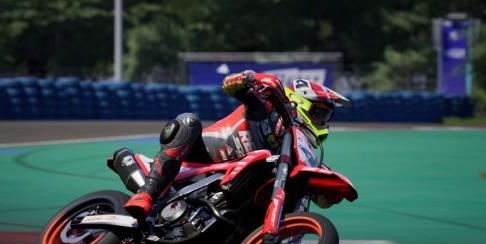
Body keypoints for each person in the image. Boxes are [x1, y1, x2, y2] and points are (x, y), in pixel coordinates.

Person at [123, 71, 349, 219]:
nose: (323, 122)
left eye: (327, 117)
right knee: (188, 121)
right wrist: (250, 78)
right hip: (203, 156)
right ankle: (147, 193)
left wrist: (331, 191)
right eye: (319, 113)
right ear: (300, 102)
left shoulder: (300, 150)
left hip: (232, 190)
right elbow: (230, 85)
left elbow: (323, 200)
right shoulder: (268, 108)